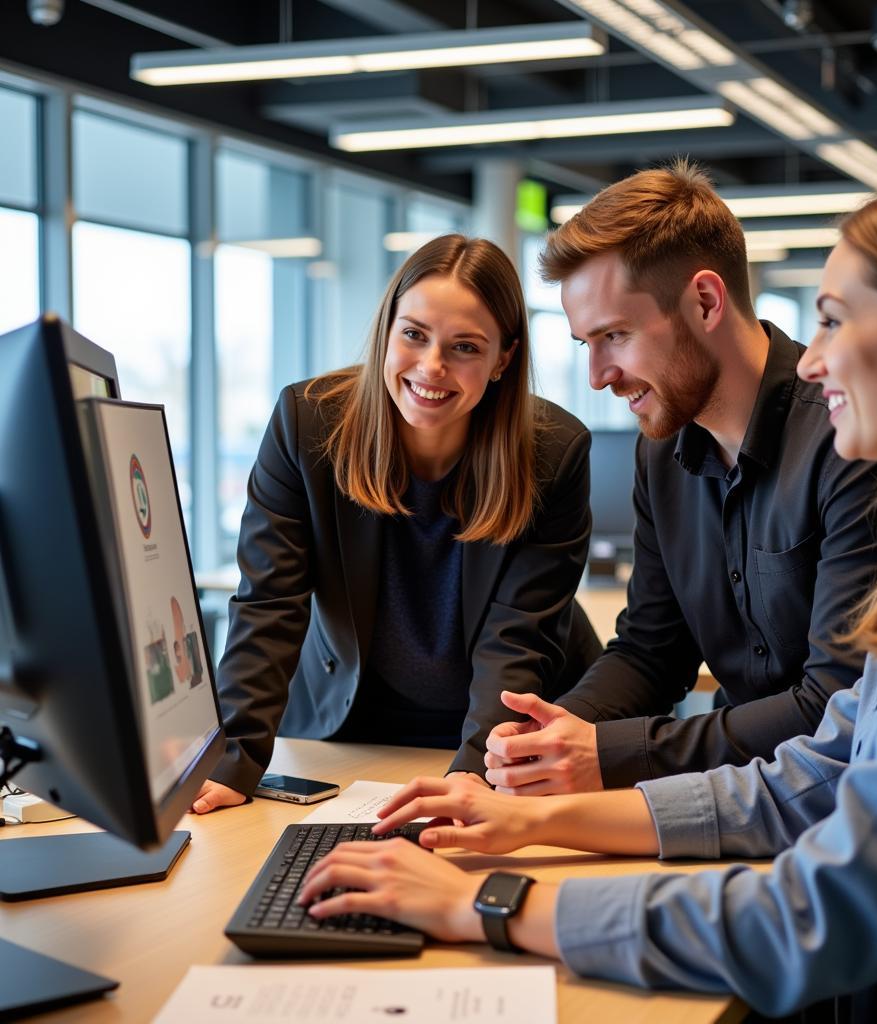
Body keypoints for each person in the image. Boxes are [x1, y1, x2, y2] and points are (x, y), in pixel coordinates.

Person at [298, 172, 877, 1021]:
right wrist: (541, 816)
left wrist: (495, 904)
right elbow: (813, 776)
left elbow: (828, 912)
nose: (815, 354)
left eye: (831, 319)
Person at [484, 161, 877, 796]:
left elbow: (833, 704)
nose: (597, 375)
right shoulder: (662, 452)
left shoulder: (850, 438)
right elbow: (651, 652)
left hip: (838, 804)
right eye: (587, 342)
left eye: (615, 335)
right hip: (737, 800)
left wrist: (607, 753)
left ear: (704, 301)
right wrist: (553, 734)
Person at [192, 234, 601, 813]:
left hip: (499, 727)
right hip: (350, 722)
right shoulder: (307, 426)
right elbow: (269, 603)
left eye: (464, 346)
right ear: (387, 330)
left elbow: (517, 639)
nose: (431, 367)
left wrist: (475, 773)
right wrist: (234, 759)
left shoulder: (553, 453)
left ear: (503, 359)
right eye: (414, 334)